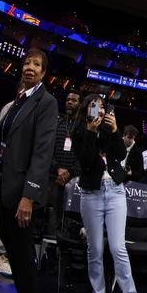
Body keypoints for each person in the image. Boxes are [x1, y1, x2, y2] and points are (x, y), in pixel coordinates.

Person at [0, 48, 58, 293]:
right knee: (12, 246)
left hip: (22, 192)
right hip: (4, 186)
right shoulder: (17, 102)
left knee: (21, 249)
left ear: (43, 73)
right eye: (26, 62)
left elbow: (41, 153)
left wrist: (29, 195)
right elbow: (0, 145)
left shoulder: (46, 102)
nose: (30, 66)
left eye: (36, 64)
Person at [73, 95, 137, 293]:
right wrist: (91, 131)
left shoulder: (111, 130)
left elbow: (120, 155)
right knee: (96, 249)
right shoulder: (79, 131)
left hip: (116, 193)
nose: (99, 110)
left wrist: (116, 130)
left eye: (102, 107)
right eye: (94, 106)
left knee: (118, 248)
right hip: (91, 194)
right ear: (86, 109)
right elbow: (87, 161)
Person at [0, 82, 24, 277]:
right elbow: (0, 141)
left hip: (22, 172)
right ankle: (1, 254)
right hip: (4, 168)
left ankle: (13, 253)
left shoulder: (37, 110)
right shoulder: (8, 108)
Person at [49, 90, 81, 234]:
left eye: (73, 100)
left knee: (71, 217)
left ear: (80, 104)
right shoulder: (58, 123)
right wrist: (58, 170)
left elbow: (84, 156)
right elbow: (49, 149)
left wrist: (70, 173)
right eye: (68, 99)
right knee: (56, 214)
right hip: (57, 177)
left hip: (75, 179)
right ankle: (55, 243)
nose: (69, 102)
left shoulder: (83, 127)